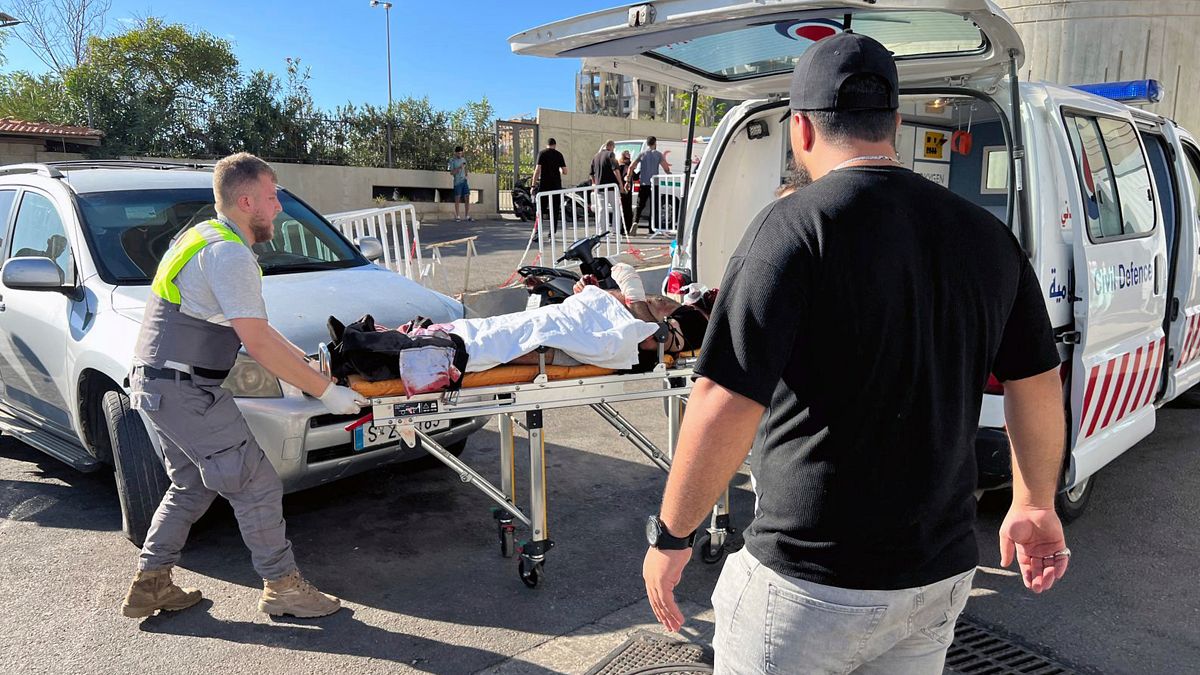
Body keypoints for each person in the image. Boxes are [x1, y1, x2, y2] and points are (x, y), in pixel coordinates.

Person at [641, 33, 1069, 674]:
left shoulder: (790, 229)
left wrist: (673, 535)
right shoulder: (988, 238)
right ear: (894, 124)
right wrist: (1034, 502)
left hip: (806, 585)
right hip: (937, 581)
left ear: (802, 131)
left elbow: (724, 403)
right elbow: (1036, 382)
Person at [120, 152, 367, 620]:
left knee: (191, 483)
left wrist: (311, 367)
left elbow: (257, 330)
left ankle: (151, 582)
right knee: (256, 483)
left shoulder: (201, 236)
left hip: (159, 386)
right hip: (185, 390)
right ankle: (283, 586)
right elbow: (254, 340)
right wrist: (327, 393)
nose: (279, 208)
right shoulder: (229, 253)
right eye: (272, 198)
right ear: (247, 199)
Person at [629, 136, 672, 233]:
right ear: (655, 143)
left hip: (643, 183)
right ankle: (651, 228)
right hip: (654, 184)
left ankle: (635, 222)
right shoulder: (658, 155)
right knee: (654, 205)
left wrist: (628, 177)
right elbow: (666, 168)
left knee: (640, 205)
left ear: (647, 144)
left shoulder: (642, 154)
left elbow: (632, 166)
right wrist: (669, 174)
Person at [533, 138, 568, 219]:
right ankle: (552, 230)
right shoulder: (559, 155)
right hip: (556, 185)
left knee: (541, 208)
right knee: (554, 209)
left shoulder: (542, 153)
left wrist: (533, 185)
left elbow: (537, 170)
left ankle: (538, 229)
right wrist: (559, 169)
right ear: (555, 145)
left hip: (544, 184)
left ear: (547, 145)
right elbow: (565, 171)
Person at [448, 145, 473, 222]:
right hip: (457, 182)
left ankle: (467, 215)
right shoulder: (452, 161)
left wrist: (466, 175)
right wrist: (459, 168)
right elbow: (451, 172)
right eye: (458, 153)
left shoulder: (463, 159)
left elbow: (466, 168)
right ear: (455, 153)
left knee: (467, 197)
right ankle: (457, 216)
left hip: (464, 181)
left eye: (461, 153)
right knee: (457, 198)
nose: (460, 154)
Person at [616, 150, 636, 236]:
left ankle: (623, 229)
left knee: (623, 210)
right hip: (625, 191)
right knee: (626, 210)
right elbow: (627, 177)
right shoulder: (625, 167)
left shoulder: (619, 166)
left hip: (621, 190)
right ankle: (626, 228)